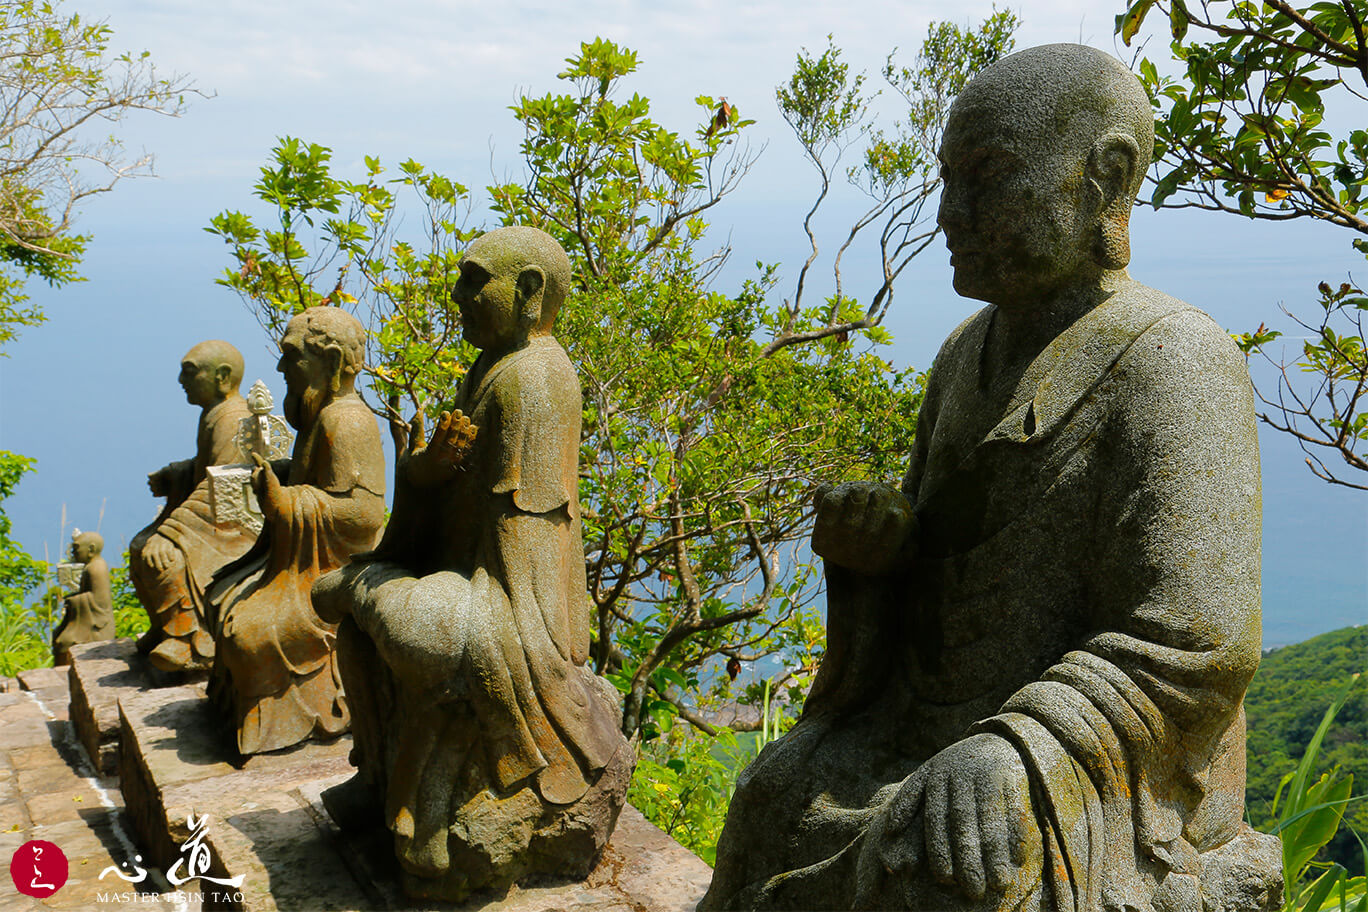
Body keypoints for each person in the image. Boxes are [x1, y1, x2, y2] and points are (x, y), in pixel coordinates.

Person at [702, 44, 1280, 912]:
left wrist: (1022, 745)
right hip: (938, 728)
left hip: (1102, 771)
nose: (951, 213)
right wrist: (877, 557)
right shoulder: (964, 356)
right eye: (947, 179)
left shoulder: (1176, 360)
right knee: (774, 792)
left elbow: (1201, 639)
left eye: (991, 176)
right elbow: (937, 580)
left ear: (1106, 179)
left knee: (939, 870)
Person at [313, 226, 629, 900]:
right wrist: (427, 474)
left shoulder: (537, 383)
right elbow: (450, 521)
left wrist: (426, 514)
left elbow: (527, 556)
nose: (457, 296)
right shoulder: (488, 370)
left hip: (507, 612)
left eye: (473, 279)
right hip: (459, 583)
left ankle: (422, 811)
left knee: (368, 606)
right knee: (349, 611)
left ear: (530, 291)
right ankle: (380, 781)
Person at [207, 306, 385, 755]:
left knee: (248, 633)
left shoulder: (347, 420)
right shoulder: (318, 416)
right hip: (295, 561)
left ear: (328, 360)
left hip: (329, 573)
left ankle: (303, 714)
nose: (282, 368)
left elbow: (364, 515)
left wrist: (286, 501)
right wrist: (283, 475)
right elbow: (318, 482)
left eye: (292, 357)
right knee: (221, 593)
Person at [129, 340, 255, 672]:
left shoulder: (233, 419)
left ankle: (190, 641)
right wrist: (177, 473)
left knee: (162, 555)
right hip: (210, 514)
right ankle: (165, 625)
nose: (180, 381)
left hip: (231, 525)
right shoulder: (214, 415)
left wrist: (170, 532)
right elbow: (206, 467)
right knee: (141, 544)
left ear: (222, 377)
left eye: (189, 372)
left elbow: (223, 487)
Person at [52, 530, 113, 664]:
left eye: (76, 548)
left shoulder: (96, 568)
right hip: (86, 618)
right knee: (58, 634)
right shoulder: (90, 567)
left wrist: (74, 601)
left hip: (95, 624)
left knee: (65, 641)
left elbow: (99, 601)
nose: (73, 553)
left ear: (91, 549)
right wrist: (75, 597)